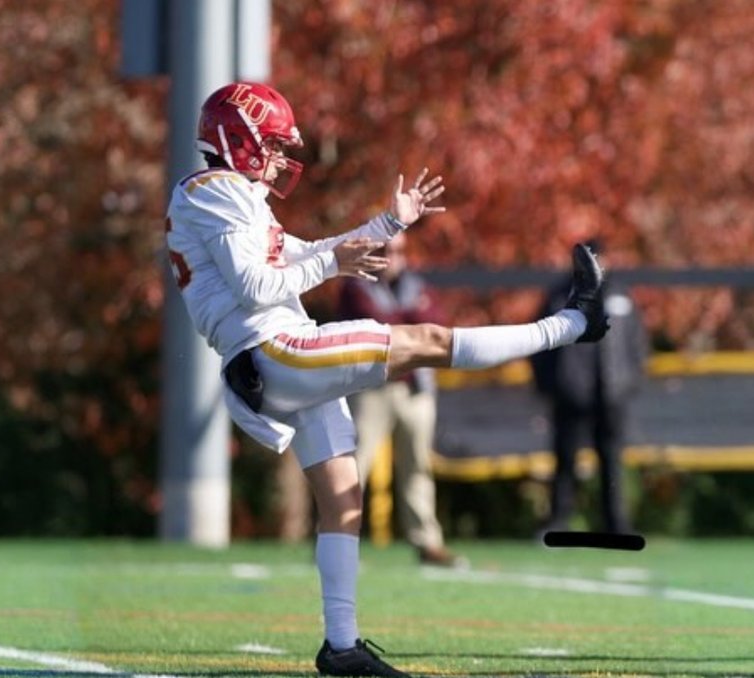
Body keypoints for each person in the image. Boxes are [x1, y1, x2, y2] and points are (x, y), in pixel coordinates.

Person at [165, 81, 609, 678]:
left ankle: (341, 647)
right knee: (426, 343)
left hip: (272, 354)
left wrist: (387, 223)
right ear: (235, 138)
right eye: (269, 143)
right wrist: (332, 262)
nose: (277, 157)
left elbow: (307, 252)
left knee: (344, 500)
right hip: (273, 347)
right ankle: (574, 322)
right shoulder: (215, 191)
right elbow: (258, 287)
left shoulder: (232, 195)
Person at [336, 233, 465, 568]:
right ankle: (339, 541)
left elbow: (435, 328)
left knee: (418, 468)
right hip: (372, 390)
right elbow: (377, 330)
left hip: (415, 390)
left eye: (397, 250)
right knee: (353, 469)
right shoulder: (356, 287)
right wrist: (411, 319)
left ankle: (427, 543)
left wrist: (401, 322)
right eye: (385, 250)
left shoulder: (419, 286)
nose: (392, 257)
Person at [530, 240, 648, 536]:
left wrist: (628, 382)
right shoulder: (559, 294)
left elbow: (636, 343)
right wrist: (551, 385)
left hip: (611, 394)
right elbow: (538, 344)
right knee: (565, 463)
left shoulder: (621, 293)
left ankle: (616, 525)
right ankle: (559, 521)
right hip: (571, 393)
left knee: (611, 463)